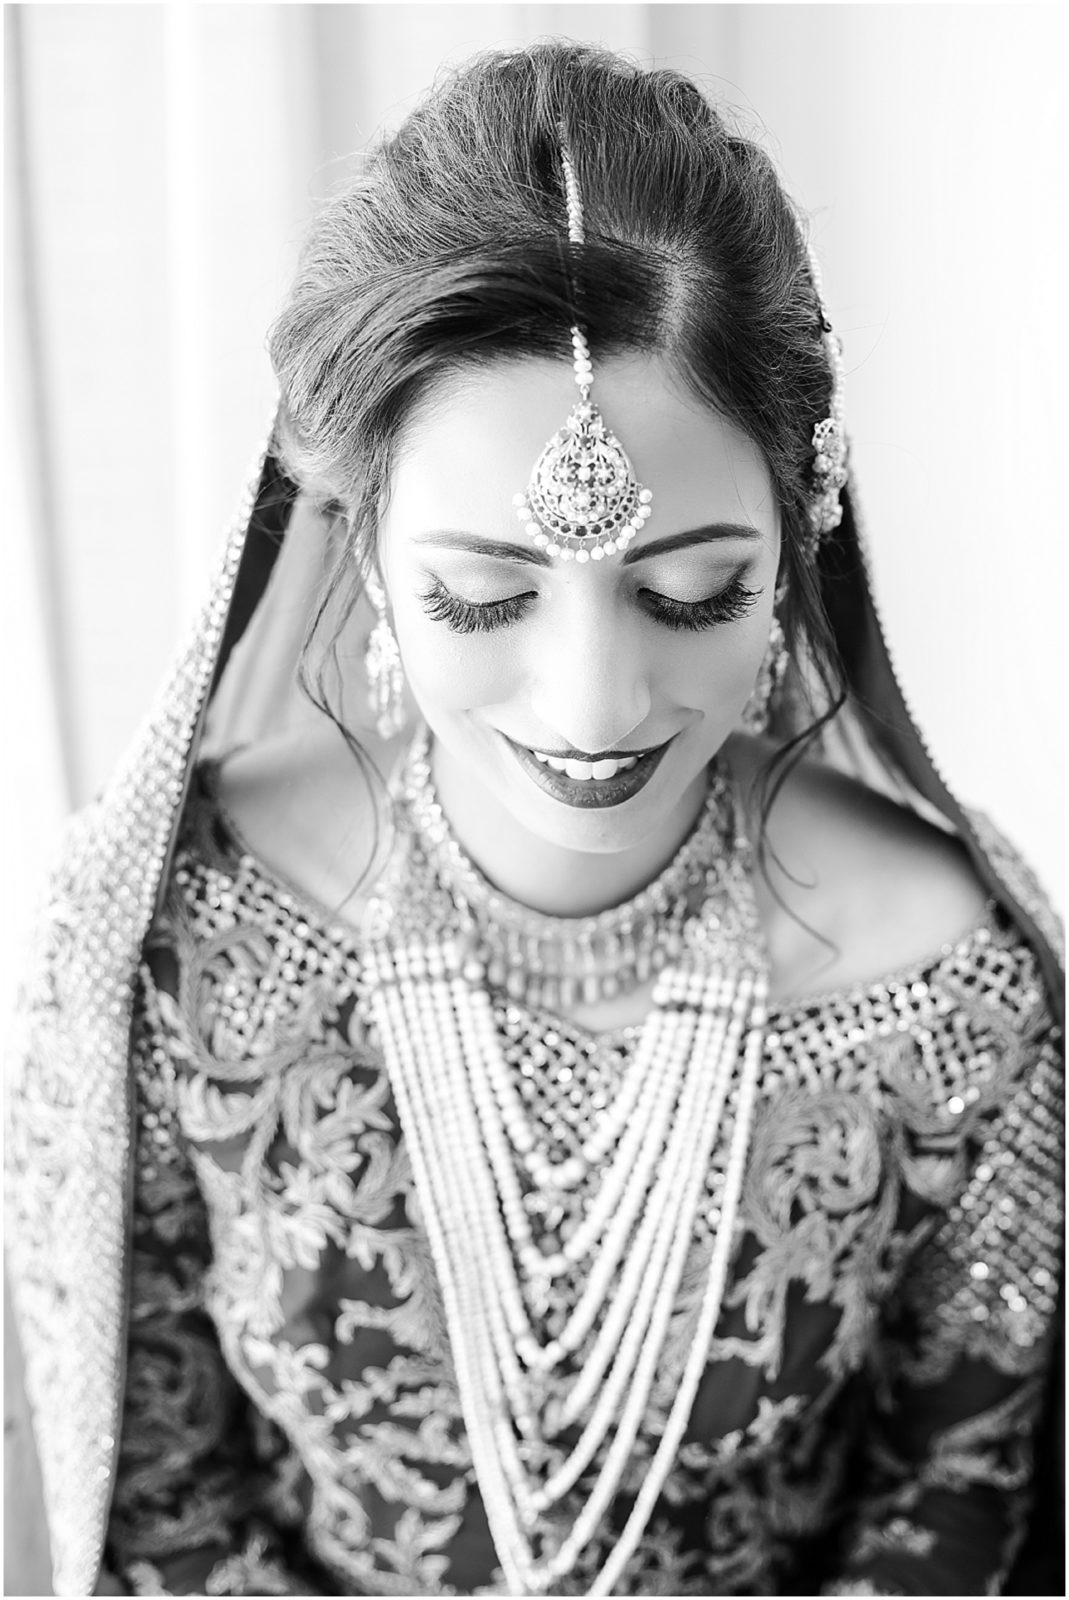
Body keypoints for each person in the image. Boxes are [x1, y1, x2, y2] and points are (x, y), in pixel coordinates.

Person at [6, 42, 1063, 1600]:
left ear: (795, 544)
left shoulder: (952, 1000)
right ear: (360, 547)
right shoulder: (166, 937)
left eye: (688, 591)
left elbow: (950, 1499)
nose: (592, 704)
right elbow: (165, 1490)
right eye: (483, 593)